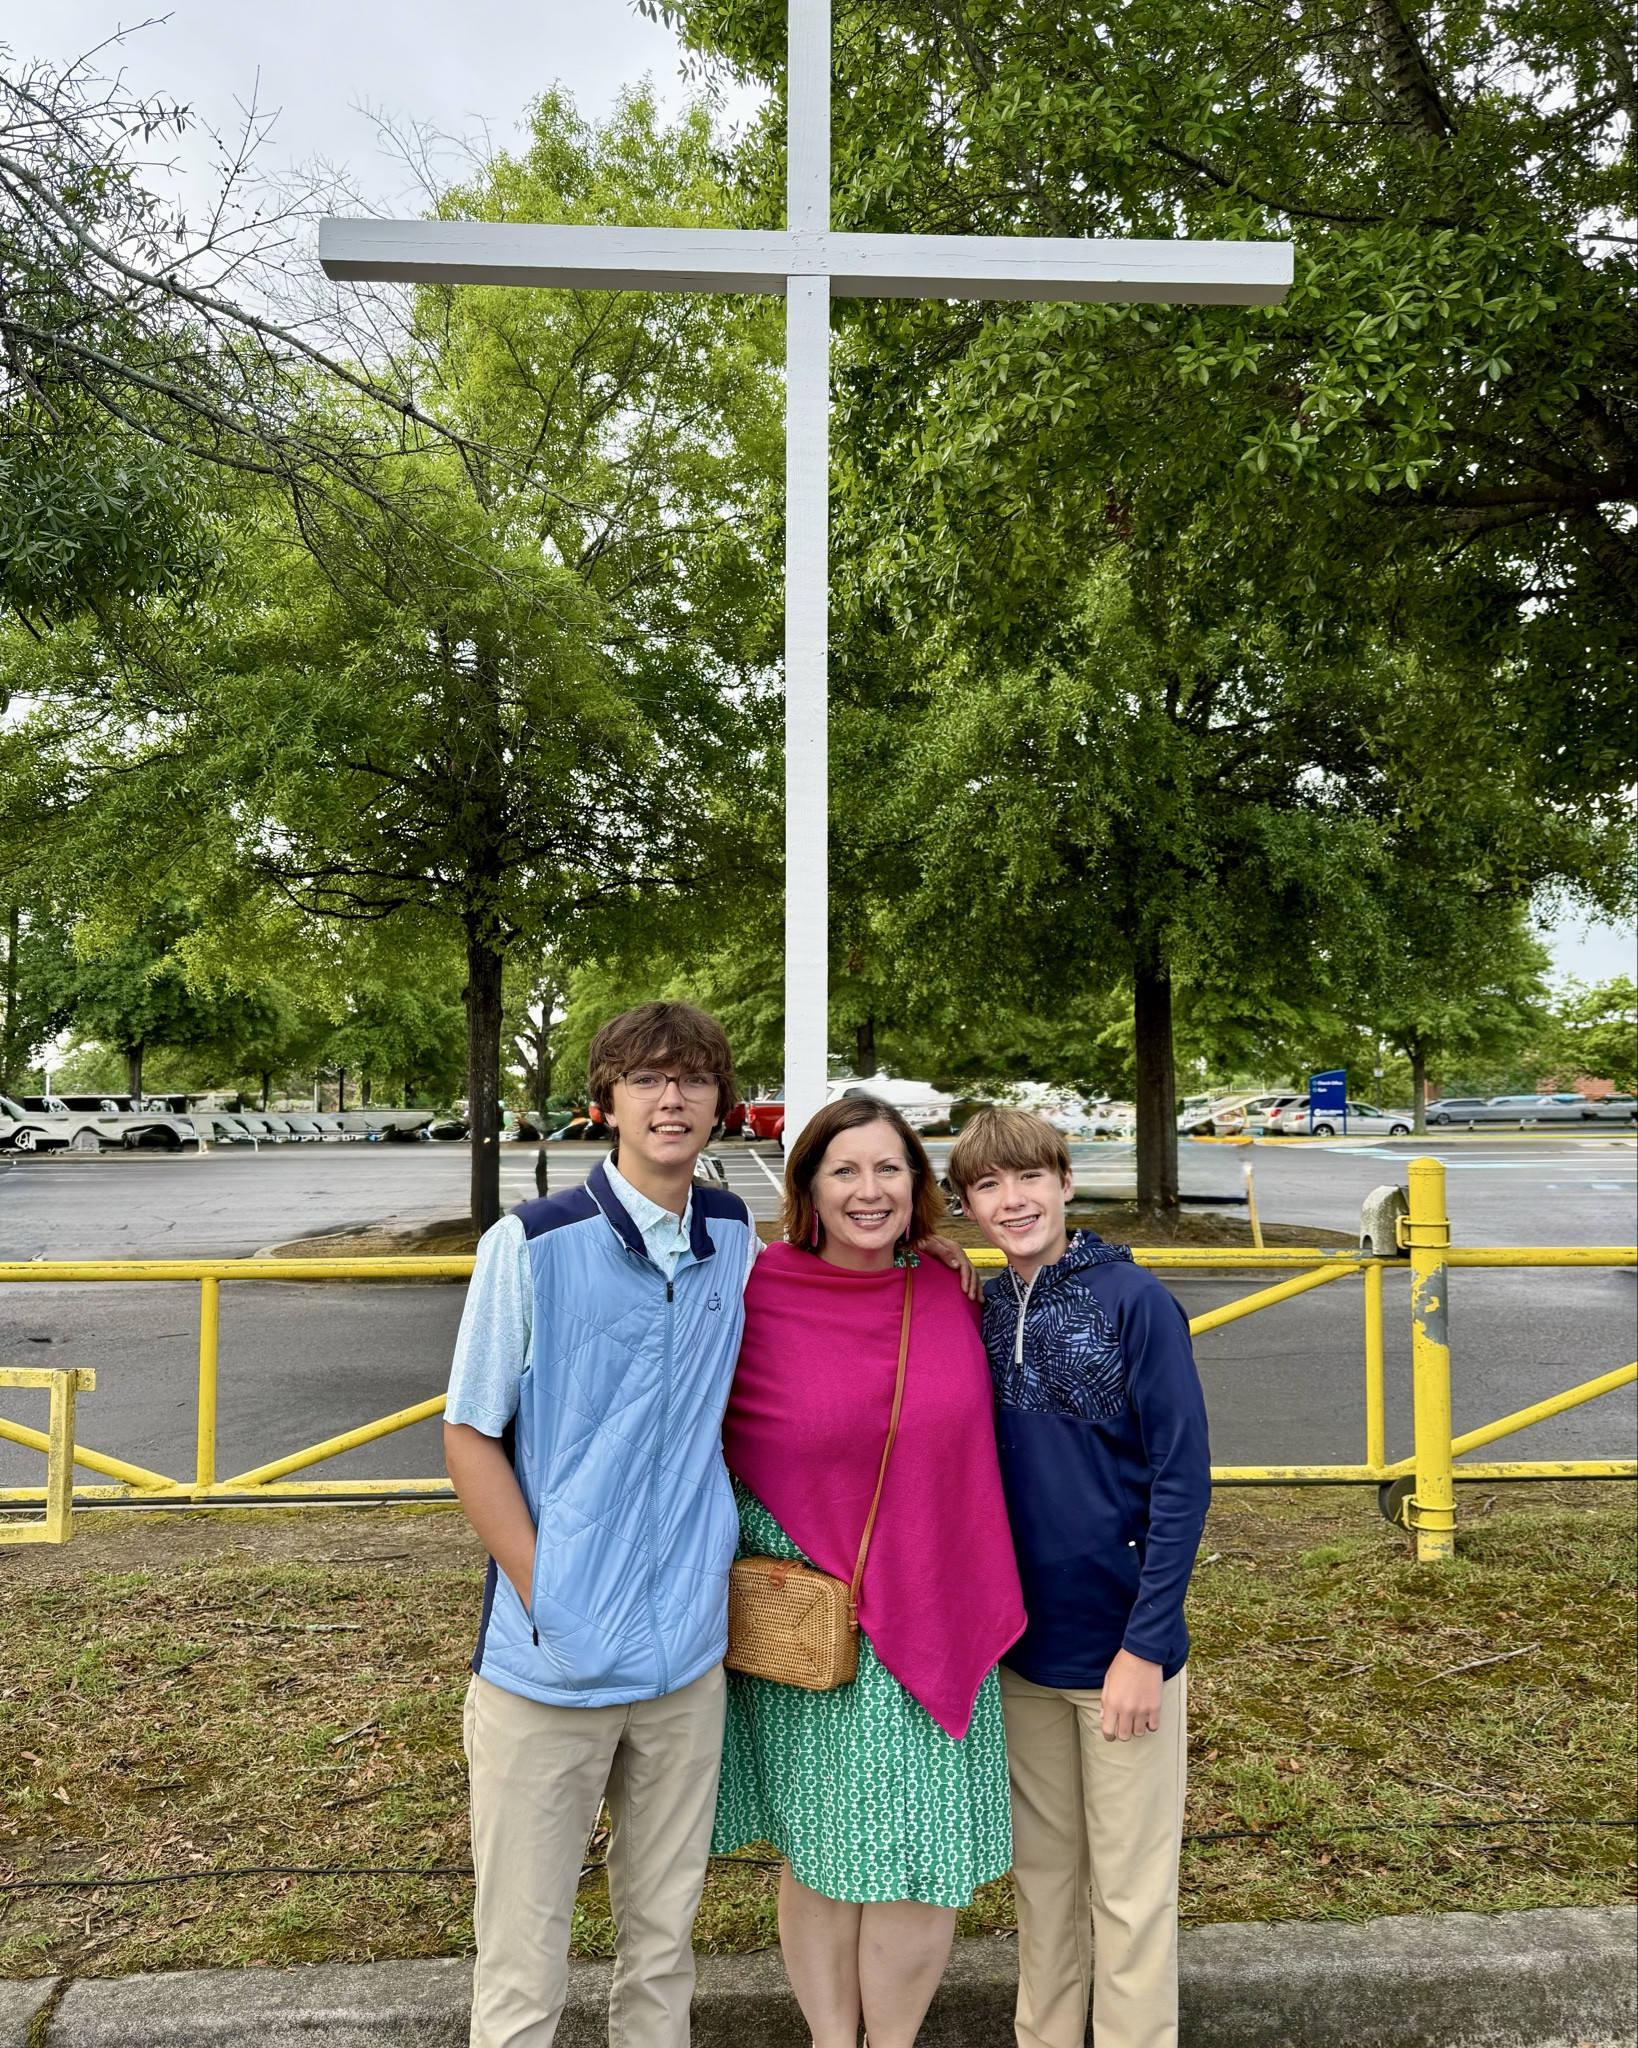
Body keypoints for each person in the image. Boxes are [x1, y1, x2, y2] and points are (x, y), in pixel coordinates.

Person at [443, 1001, 756, 2048]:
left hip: (685, 1665)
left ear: (721, 1100)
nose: (673, 1098)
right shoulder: (529, 1243)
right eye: (647, 1079)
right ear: (606, 1102)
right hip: (550, 1670)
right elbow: (469, 1436)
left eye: (694, 1078)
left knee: (664, 1946)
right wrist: (552, 1595)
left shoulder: (734, 1234)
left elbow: (843, 1289)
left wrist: (933, 1262)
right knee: (524, 1965)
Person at [712, 1096, 1026, 2048]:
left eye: (889, 1169)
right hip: (813, 1624)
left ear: (918, 1186)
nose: (868, 1190)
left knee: (917, 1855)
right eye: (844, 1170)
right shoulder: (755, 1292)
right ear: (805, 1184)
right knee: (821, 1852)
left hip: (934, 1595)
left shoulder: (949, 1290)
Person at [946, 1107, 1211, 2048]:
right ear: (968, 1205)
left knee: (1133, 1896)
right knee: (1044, 1887)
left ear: (1065, 1181)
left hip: (1121, 1654)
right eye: (987, 1186)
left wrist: (1146, 1646)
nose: (1011, 1201)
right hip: (1022, 1652)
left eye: (1028, 1179)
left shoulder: (1133, 1302)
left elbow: (1182, 1478)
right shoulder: (979, 1311)